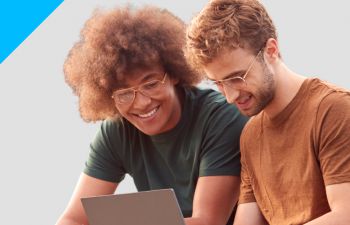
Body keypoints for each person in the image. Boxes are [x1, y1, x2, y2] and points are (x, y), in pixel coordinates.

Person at [55, 5, 248, 225]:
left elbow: (208, 221)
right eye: (125, 94)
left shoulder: (222, 118)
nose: (142, 103)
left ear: (174, 74)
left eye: (151, 83)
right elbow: (72, 219)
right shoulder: (117, 131)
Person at [185, 0, 350, 225]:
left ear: (271, 50)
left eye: (237, 78)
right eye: (219, 83)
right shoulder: (251, 135)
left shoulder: (334, 109)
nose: (230, 96)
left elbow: (346, 215)